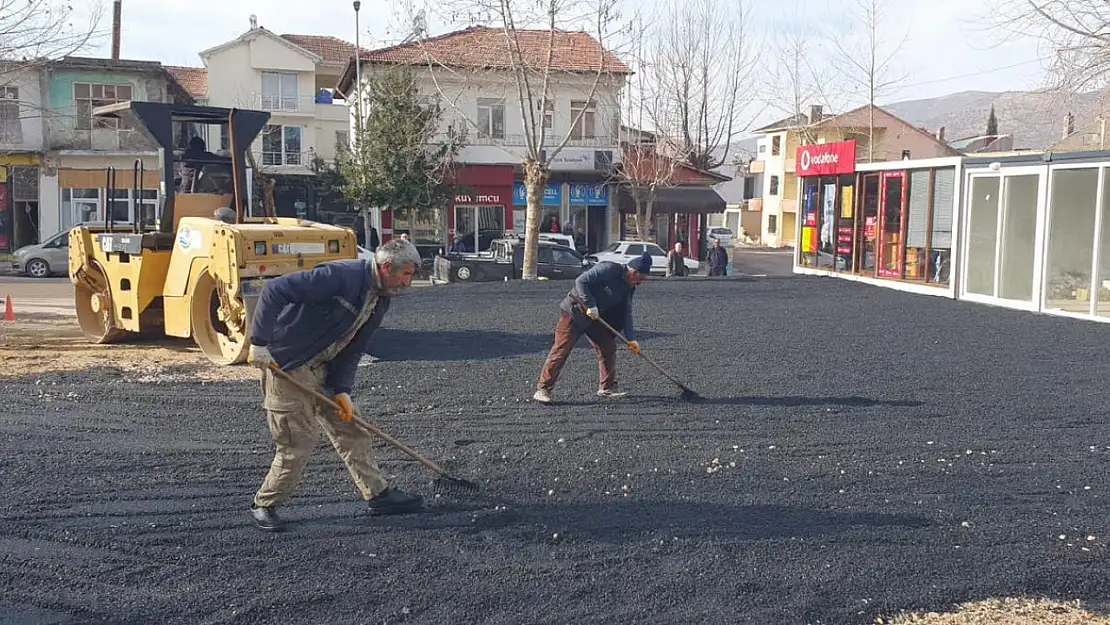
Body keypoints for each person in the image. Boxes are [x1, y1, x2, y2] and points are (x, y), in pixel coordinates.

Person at [244, 239, 425, 532]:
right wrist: (259, 343)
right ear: (388, 267)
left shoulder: (381, 298)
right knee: (297, 441)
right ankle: (264, 505)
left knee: (352, 428)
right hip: (288, 365)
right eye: (406, 275)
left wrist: (342, 389)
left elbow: (354, 347)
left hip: (324, 367)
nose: (408, 282)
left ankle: (378, 495)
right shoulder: (341, 276)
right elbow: (274, 290)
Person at [532, 251, 652, 405]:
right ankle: (543, 389)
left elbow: (626, 312)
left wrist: (632, 339)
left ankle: (607, 388)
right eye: (640, 279)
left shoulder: (629, 288)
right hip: (575, 312)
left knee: (608, 347)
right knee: (562, 348)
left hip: (596, 318)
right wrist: (590, 304)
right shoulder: (609, 269)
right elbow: (581, 281)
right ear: (633, 272)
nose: (640, 283)